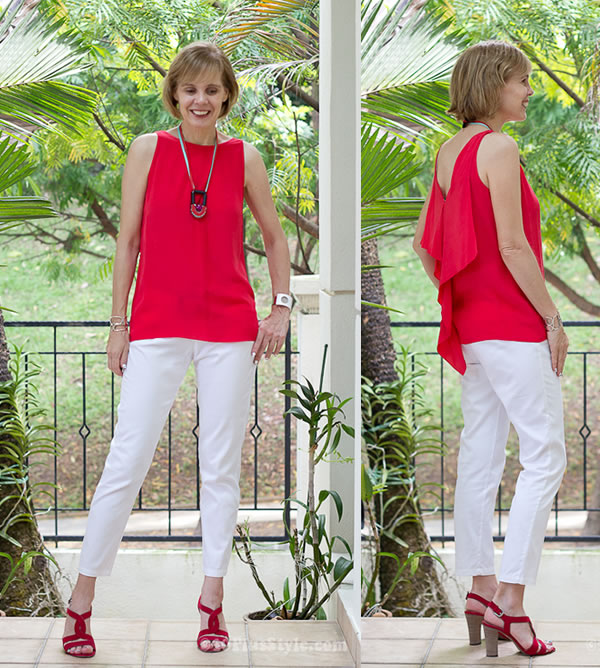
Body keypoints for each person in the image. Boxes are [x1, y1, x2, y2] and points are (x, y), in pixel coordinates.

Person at [62, 41, 291, 657]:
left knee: (219, 468)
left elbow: (274, 238)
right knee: (126, 460)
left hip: (228, 330)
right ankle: (81, 600)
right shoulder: (148, 149)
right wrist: (119, 324)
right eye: (191, 89)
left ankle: (212, 600)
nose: (201, 99)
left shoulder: (244, 158)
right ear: (174, 93)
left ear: (226, 97)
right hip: (157, 325)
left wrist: (281, 306)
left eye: (213, 90)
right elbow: (129, 241)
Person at [413, 41, 568, 658]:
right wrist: (553, 317)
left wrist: (465, 300)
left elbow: (429, 252)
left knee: (480, 459)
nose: (529, 90)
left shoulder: (450, 152)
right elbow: (512, 246)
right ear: (491, 83)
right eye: (521, 80)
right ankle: (512, 601)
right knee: (547, 456)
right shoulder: (499, 148)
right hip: (512, 326)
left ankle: (478, 588)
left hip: (475, 329)